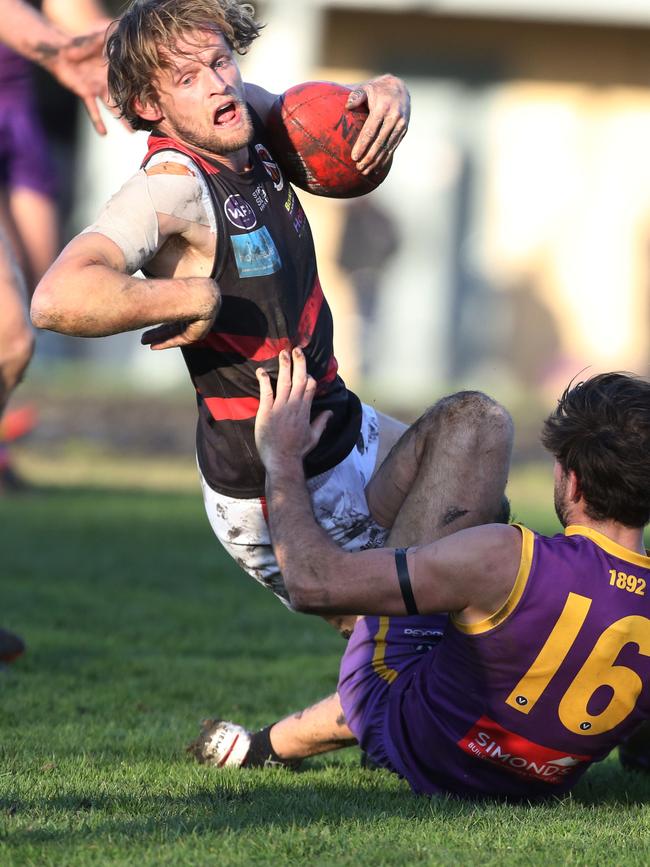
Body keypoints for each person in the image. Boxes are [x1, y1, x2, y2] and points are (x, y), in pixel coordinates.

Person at [31, 0, 424, 760]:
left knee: (482, 513)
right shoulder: (172, 185)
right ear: (149, 106)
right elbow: (57, 295)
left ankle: (303, 736)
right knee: (432, 625)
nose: (218, 83)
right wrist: (191, 295)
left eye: (220, 62)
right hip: (275, 471)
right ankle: (290, 743)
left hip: (343, 422)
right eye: (187, 76)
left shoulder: (244, 118)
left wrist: (386, 93)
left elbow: (333, 118)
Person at [243, 355, 650, 799]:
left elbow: (310, 585)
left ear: (571, 482)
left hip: (406, 725)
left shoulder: (505, 557)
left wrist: (281, 457)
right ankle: (264, 746)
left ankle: (366, 559)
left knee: (475, 423)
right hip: (532, 787)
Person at [0, 0, 111, 656]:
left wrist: (154, 49)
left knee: (27, 322)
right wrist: (59, 49)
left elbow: (76, 12)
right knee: (8, 333)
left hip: (17, 115)